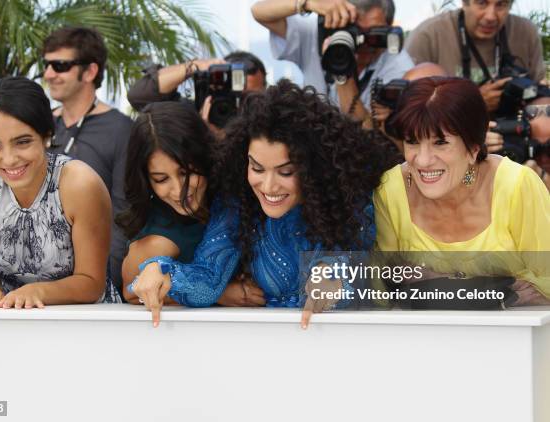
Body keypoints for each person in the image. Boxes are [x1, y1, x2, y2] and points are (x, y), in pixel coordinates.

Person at [129, 79, 399, 327]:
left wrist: (330, 278)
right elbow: (208, 278)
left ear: (314, 167)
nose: (268, 187)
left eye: (285, 172)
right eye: (257, 168)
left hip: (350, 347)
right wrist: (164, 271)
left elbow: (350, 269)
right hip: (265, 350)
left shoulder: (350, 200)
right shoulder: (237, 203)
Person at [373, 77, 550, 306]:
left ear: (474, 146)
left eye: (440, 143)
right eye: (412, 141)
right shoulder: (392, 188)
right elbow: (379, 294)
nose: (423, 160)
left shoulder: (516, 184)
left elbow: (547, 285)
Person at [0, 76, 118, 309]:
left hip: (86, 322)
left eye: (22, 142)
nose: (9, 159)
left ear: (47, 135)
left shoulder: (80, 184)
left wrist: (37, 291)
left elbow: (91, 283)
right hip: (8, 320)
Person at [118, 101, 265, 306]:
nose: (179, 190)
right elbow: (132, 292)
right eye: (161, 179)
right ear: (146, 181)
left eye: (186, 173)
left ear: (204, 156)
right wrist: (219, 296)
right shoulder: (157, 242)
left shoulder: (237, 186)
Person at [42, 26, 132, 295]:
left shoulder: (121, 129)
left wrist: (105, 282)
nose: (49, 74)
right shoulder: (38, 125)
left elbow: (124, 215)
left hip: (94, 282)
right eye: (46, 65)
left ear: (90, 72)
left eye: (60, 65)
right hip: (35, 273)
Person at [251, 0, 413, 121]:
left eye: (373, 34)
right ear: (336, 24)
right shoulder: (316, 35)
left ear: (390, 29)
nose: (362, 41)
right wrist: (308, 3)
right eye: (354, 31)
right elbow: (259, 12)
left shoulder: (400, 67)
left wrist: (342, 74)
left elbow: (369, 133)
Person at [405, 0, 546, 114]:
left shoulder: (526, 31)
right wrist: (474, 102)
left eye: (501, 4)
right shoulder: (428, 35)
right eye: (482, 3)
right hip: (450, 132)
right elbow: (409, 109)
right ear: (464, 3)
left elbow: (538, 91)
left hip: (514, 126)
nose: (490, 16)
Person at [127, 51, 267, 111]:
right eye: (232, 94)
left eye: (248, 99)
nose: (238, 105)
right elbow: (139, 97)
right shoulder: (192, 116)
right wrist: (194, 67)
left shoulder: (263, 131)